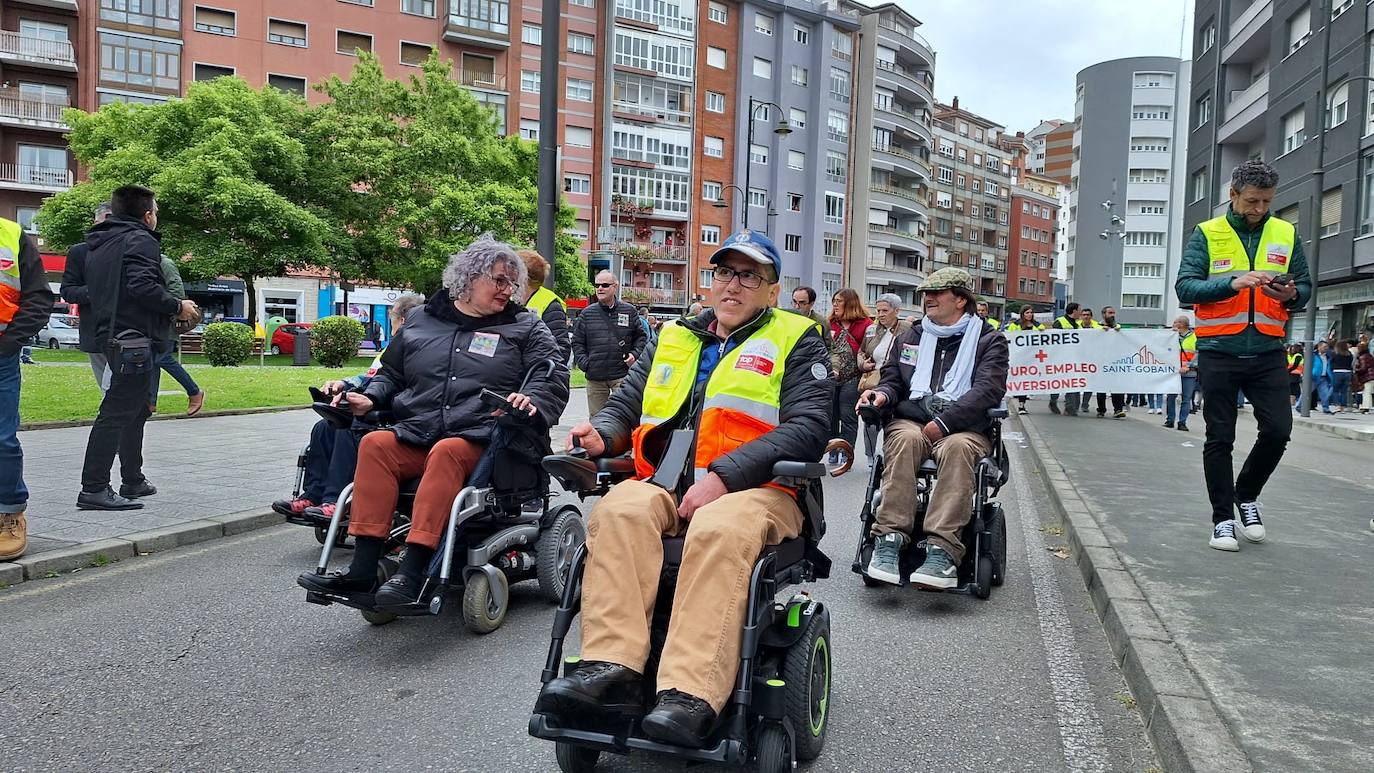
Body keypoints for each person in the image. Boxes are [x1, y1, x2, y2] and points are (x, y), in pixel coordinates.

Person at [533, 228, 830, 749]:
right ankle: (611, 670)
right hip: (669, 482)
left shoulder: (797, 337)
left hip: (763, 489)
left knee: (717, 527)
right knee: (618, 510)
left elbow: (807, 426)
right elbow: (627, 403)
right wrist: (600, 435)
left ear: (772, 290)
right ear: (711, 281)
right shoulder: (672, 336)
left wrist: (724, 476)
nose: (732, 285)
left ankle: (689, 694)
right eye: (724, 272)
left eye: (748, 275)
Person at [297, 237, 568, 605]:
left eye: (513, 283)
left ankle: (412, 573)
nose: (509, 290)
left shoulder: (524, 326)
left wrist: (531, 400)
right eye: (500, 280)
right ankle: (361, 572)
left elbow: (550, 375)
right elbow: (391, 374)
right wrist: (369, 397)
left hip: (486, 438)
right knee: (376, 444)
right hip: (420, 430)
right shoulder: (423, 320)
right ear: (469, 278)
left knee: (448, 451)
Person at [1174, 159, 1312, 552]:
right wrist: (1231, 283)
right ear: (1232, 196)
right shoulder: (1207, 232)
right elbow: (1185, 287)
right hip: (1219, 350)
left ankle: (1246, 494)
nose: (1260, 209)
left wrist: (1292, 294)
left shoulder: (1285, 233)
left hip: (1268, 349)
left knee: (1279, 431)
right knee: (1220, 437)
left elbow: (1304, 285)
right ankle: (1222, 521)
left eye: (1266, 201)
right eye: (1252, 201)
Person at [860, 267, 1008, 588]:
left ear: (960, 300)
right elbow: (893, 381)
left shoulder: (989, 340)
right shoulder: (911, 336)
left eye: (937, 293)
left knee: (957, 449)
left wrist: (944, 423)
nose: (928, 298)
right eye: (926, 293)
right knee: (902, 440)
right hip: (913, 420)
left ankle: (942, 549)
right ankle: (889, 539)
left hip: (964, 427)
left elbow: (987, 391)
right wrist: (881, 395)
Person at [77, 186, 199, 511]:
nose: (155, 217)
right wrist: (177, 306)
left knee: (135, 410)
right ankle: (94, 488)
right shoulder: (140, 239)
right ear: (147, 215)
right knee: (117, 413)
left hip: (113, 335)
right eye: (155, 212)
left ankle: (132, 479)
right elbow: (142, 286)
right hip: (133, 338)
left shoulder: (101, 241)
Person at [273, 293, 426, 523]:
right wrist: (345, 383)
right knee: (324, 428)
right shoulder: (392, 349)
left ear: (402, 321)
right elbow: (372, 376)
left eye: (392, 319)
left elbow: (398, 384)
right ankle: (313, 496)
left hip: (396, 415)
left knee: (348, 430)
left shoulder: (419, 348)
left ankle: (337, 501)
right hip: (374, 408)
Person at [0, 215, 53, 561]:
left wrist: (10, 343)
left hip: (0, 354)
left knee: (2, 437)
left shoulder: (11, 233)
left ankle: (9, 512)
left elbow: (39, 298)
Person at [573, 270, 646, 416]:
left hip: (622, 375)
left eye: (605, 285)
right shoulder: (586, 314)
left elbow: (641, 338)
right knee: (597, 420)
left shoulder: (629, 311)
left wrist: (634, 354)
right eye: (597, 285)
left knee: (625, 416)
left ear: (615, 287)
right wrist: (586, 364)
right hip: (595, 378)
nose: (600, 288)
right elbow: (577, 342)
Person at [60, 201, 114, 391]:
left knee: (117, 391)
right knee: (108, 391)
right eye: (105, 218)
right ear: (95, 221)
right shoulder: (80, 252)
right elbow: (67, 291)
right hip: (96, 331)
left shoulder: (132, 248)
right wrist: (96, 291)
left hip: (129, 333)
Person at [149, 255, 204, 416]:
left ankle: (194, 392)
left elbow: (177, 292)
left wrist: (170, 311)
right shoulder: (147, 262)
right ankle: (150, 403)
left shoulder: (164, 263)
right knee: (154, 361)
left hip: (167, 322)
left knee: (161, 358)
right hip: (154, 322)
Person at [859, 294, 911, 463]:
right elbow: (861, 352)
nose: (880, 314)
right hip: (875, 380)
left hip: (898, 381)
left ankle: (890, 454)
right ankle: (870, 456)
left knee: (893, 421)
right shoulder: (872, 330)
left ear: (897, 311)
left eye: (885, 311)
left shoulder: (908, 329)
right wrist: (862, 364)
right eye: (878, 310)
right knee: (871, 419)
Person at [829, 288, 871, 457]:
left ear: (850, 303)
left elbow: (869, 349)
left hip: (853, 377)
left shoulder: (866, 324)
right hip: (831, 377)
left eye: (839, 301)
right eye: (834, 301)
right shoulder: (829, 323)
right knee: (831, 415)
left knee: (848, 416)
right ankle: (832, 449)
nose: (835, 304)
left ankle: (847, 452)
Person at [517, 249, 570, 365]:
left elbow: (561, 351)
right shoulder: (510, 300)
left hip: (536, 377)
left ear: (523, 277)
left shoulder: (551, 305)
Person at [1005, 307, 1044, 414]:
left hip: (1033, 357)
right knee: (1020, 379)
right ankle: (1019, 404)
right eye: (1027, 312)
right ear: (1022, 314)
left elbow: (1043, 336)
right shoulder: (1015, 325)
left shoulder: (1037, 325)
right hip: (1019, 357)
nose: (1029, 314)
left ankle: (1023, 403)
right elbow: (1009, 337)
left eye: (1031, 312)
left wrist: (1042, 331)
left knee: (1028, 380)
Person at [1048, 303, 1083, 416]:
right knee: (1058, 382)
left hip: (1073, 358)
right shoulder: (1059, 322)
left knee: (1072, 382)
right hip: (1059, 358)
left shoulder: (1078, 325)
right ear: (1074, 311)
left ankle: (1069, 407)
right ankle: (1053, 401)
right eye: (1079, 310)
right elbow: (1054, 339)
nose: (1081, 313)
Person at [1164, 315, 1198, 431]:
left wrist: (1188, 366)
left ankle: (1182, 422)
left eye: (1175, 322)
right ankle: (1170, 420)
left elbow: (1198, 354)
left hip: (1189, 373)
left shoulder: (1195, 337)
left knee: (1186, 398)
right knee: (1171, 397)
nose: (1173, 324)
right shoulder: (1172, 336)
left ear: (1182, 324)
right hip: (1174, 373)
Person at [1100, 306, 1128, 418]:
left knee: (1117, 386)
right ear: (1103, 314)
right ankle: (1101, 409)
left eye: (1113, 313)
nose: (1112, 315)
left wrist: (1116, 329)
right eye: (1110, 313)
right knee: (1101, 387)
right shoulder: (1097, 326)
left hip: (1115, 361)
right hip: (1101, 360)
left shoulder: (1118, 327)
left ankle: (1118, 409)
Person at [1329, 340, 1354, 413]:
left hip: (1337, 372)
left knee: (1335, 390)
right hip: (1347, 373)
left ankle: (1337, 405)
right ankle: (1343, 406)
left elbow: (1331, 362)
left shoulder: (1335, 354)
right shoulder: (1349, 354)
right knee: (1344, 391)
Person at [1313, 341, 1333, 414]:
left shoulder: (1327, 356)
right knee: (1306, 392)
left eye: (1327, 347)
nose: (1326, 348)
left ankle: (1326, 408)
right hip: (1314, 377)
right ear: (1319, 347)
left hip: (1324, 377)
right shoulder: (1313, 355)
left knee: (1325, 394)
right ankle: (1299, 406)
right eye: (1324, 347)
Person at [1285, 343, 1304, 412]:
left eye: (1293, 348)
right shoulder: (1290, 356)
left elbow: (1295, 365)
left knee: (1293, 388)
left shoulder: (1298, 356)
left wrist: (1287, 370)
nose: (1292, 349)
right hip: (1291, 374)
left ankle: (1292, 402)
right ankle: (1291, 402)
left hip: (1295, 374)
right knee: (1291, 388)